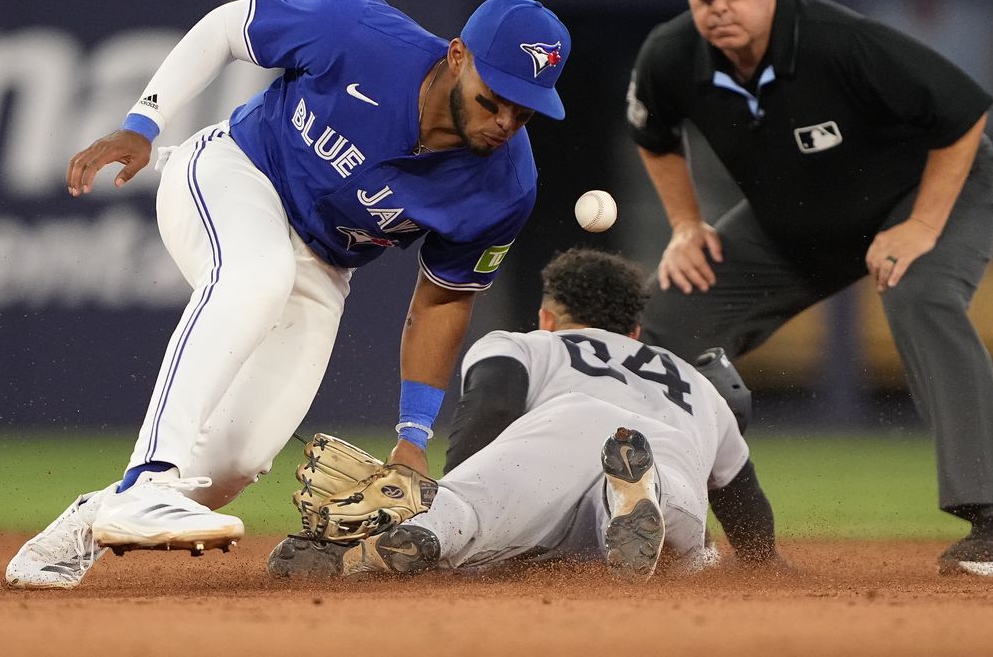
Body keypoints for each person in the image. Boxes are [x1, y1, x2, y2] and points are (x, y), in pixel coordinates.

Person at [4, 0, 571, 589]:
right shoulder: (357, 32)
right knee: (256, 273)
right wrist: (143, 123)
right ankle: (149, 479)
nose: (506, 122)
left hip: (324, 262)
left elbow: (443, 300)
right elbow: (226, 27)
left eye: (525, 110)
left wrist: (412, 436)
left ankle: (86, 525)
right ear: (458, 56)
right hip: (233, 173)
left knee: (235, 463)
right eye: (496, 99)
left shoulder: (506, 186)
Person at [626, 0, 993, 577]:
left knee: (923, 296)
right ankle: (698, 531)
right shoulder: (672, 56)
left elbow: (963, 115)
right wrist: (685, 225)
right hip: (792, 220)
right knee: (664, 323)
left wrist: (923, 229)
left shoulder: (836, 41)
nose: (719, 4)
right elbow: (654, 137)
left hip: (925, 194)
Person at [266, 248, 782, 581]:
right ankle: (637, 498)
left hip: (563, 428)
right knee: (680, 530)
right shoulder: (698, 385)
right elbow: (746, 507)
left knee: (473, 509)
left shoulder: (528, 343)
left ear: (548, 318)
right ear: (635, 334)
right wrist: (765, 565)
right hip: (663, 449)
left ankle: (424, 533)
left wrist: (455, 487)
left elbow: (491, 409)